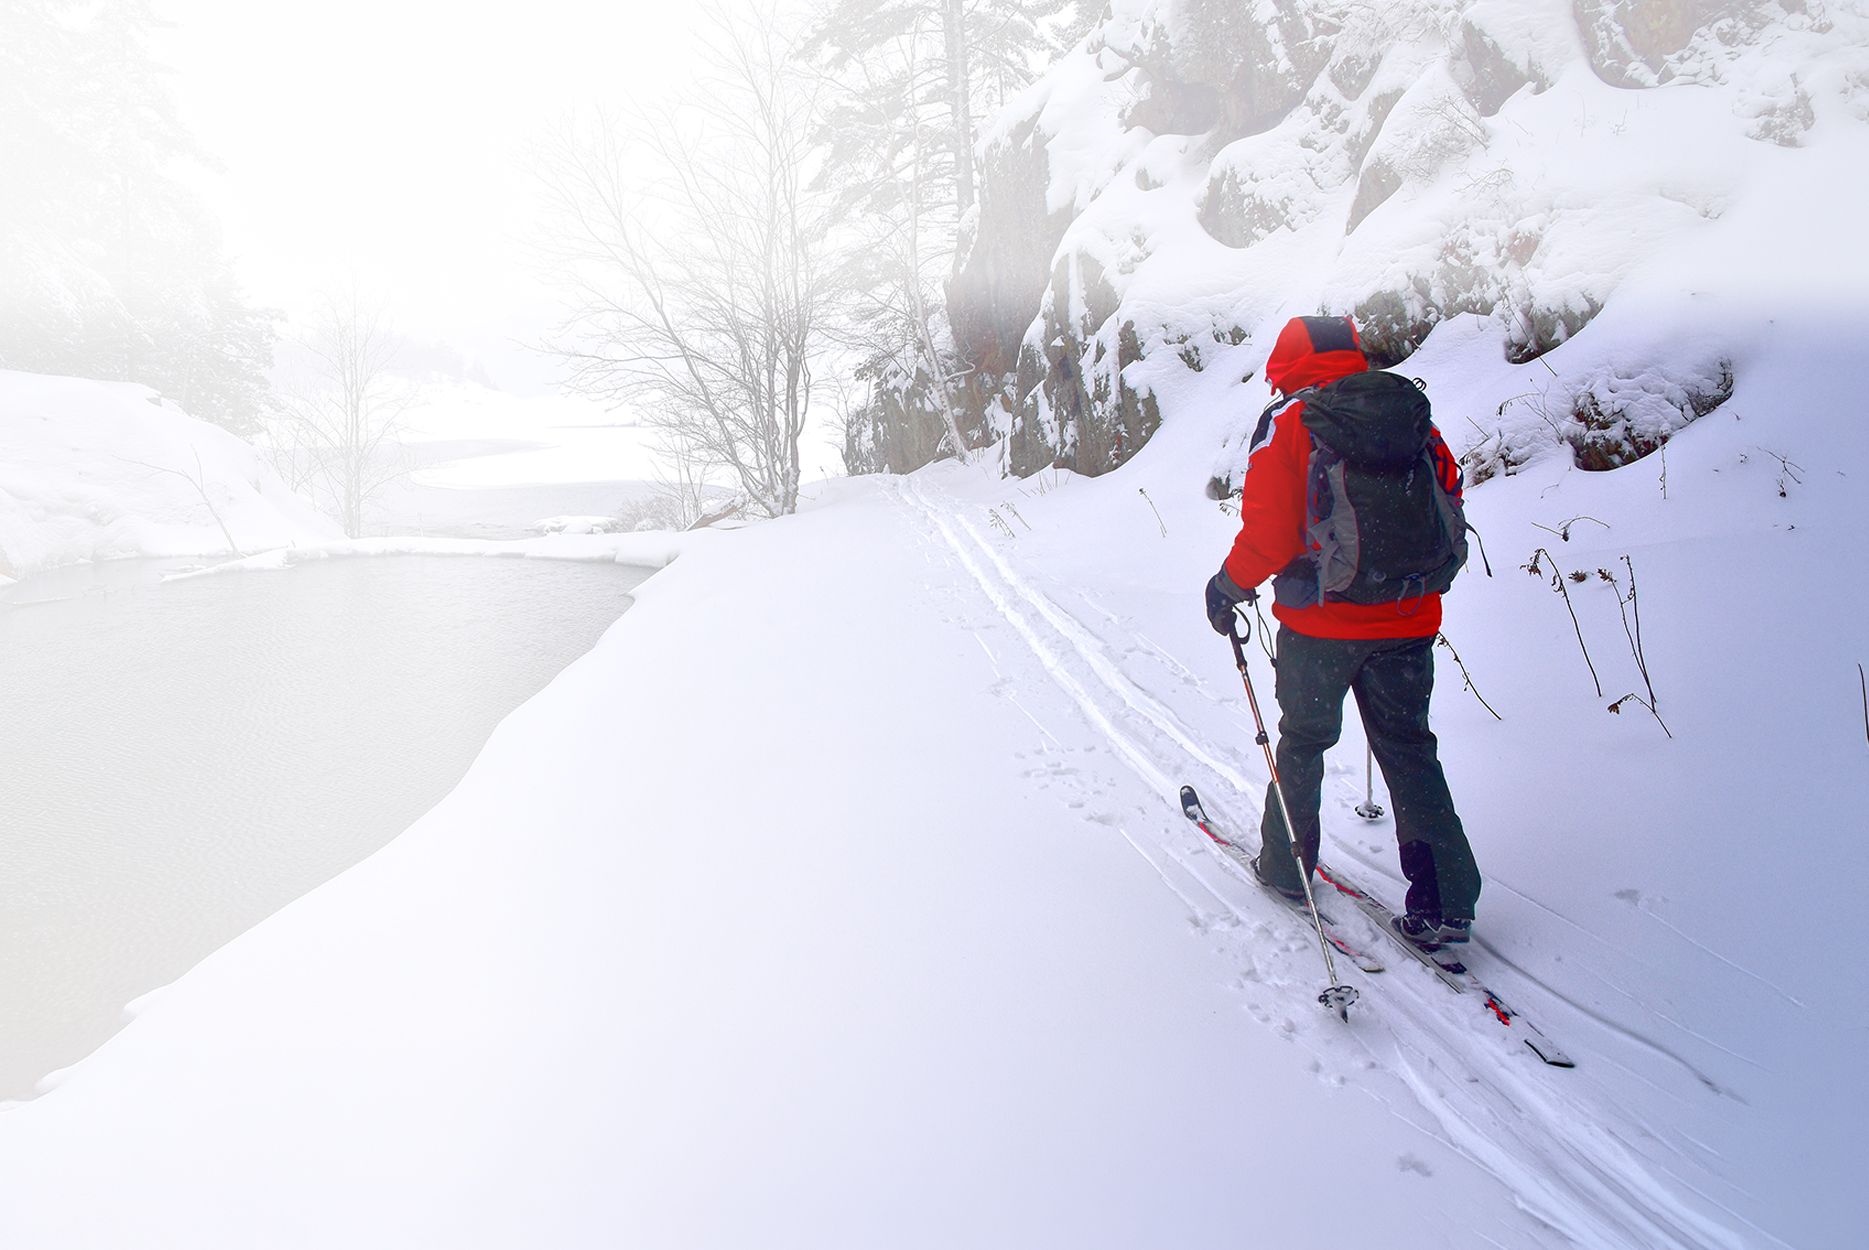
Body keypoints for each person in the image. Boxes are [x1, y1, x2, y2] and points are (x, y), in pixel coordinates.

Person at [1203, 315, 1480, 948]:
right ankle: (1447, 899)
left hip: (1320, 624)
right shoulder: (1410, 414)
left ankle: (1286, 867)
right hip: (1410, 617)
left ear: (1286, 363)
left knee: (1303, 741)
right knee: (1410, 748)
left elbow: (1270, 533)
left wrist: (1228, 585)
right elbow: (1450, 491)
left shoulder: (1289, 422)